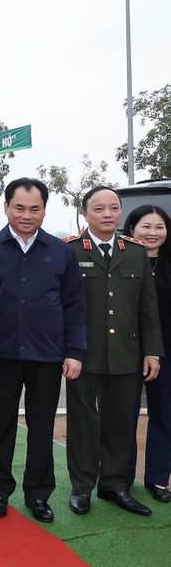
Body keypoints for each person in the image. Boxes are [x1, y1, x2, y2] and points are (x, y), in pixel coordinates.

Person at [0, 178, 87, 523]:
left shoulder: (61, 251)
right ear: (6, 207)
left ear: (44, 211)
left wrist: (75, 351)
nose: (27, 215)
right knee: (0, 425)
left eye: (34, 209)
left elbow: (75, 304)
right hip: (2, 356)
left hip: (47, 355)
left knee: (41, 427)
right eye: (19, 208)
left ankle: (38, 494)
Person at [64, 186, 163, 516]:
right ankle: (82, 487)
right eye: (99, 208)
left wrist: (152, 351)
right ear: (85, 213)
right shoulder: (70, 250)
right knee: (83, 421)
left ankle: (113, 484)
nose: (108, 214)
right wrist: (66, 349)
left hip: (126, 350)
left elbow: (147, 307)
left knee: (120, 421)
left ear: (121, 213)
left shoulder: (135, 252)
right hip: (83, 352)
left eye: (114, 208)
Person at [123, 205, 171, 503]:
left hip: (167, 351)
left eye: (160, 227)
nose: (153, 233)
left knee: (165, 414)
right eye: (146, 226)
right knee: (124, 415)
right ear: (132, 229)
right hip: (128, 348)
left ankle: (157, 478)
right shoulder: (122, 259)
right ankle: (122, 477)